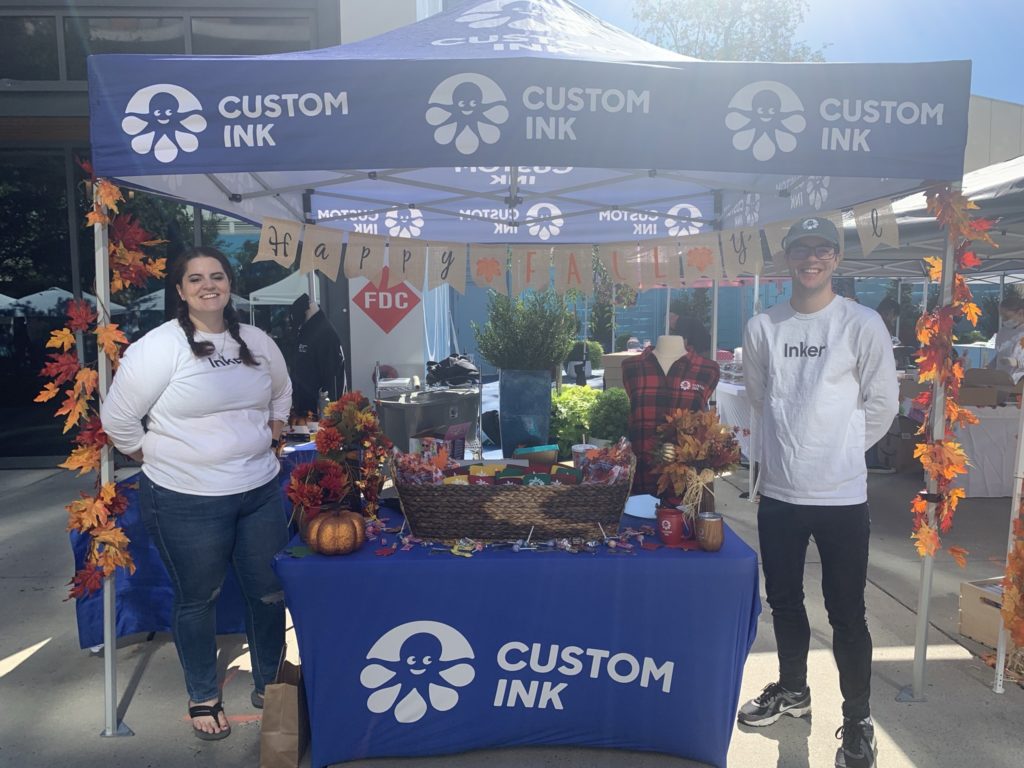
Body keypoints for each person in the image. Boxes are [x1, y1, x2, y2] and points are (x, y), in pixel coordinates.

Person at [100, 246, 292, 741]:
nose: (209, 285)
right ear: (180, 291)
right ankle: (204, 694)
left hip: (259, 491)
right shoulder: (158, 347)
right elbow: (118, 420)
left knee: (268, 594)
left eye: (218, 276)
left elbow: (282, 391)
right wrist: (157, 456)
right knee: (198, 598)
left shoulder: (256, 340)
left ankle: (270, 684)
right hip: (186, 498)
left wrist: (273, 430)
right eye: (196, 279)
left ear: (230, 284)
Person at [740, 217, 898, 768]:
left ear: (836, 258)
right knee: (783, 600)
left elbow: (883, 404)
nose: (812, 259)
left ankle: (857, 719)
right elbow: (761, 398)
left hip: (841, 498)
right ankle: (793, 691)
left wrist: (838, 450)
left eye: (822, 249)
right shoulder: (763, 327)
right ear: (786, 258)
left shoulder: (861, 323)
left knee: (847, 612)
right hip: (781, 493)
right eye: (801, 249)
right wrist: (796, 450)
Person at [621, 333, 719, 496]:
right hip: (642, 471)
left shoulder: (707, 369)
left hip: (688, 477)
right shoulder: (631, 366)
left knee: (687, 521)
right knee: (639, 519)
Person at [289, 293, 346, 418]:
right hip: (305, 411)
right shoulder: (306, 330)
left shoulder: (326, 334)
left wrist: (330, 413)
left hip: (318, 413)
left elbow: (334, 379)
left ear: (307, 311)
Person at [987, 292, 1024, 382]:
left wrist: (1018, 363)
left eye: (1007, 316)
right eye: (1002, 316)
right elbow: (1000, 354)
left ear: (1020, 312)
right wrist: (991, 365)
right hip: (1001, 380)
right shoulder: (1003, 332)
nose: (1004, 320)